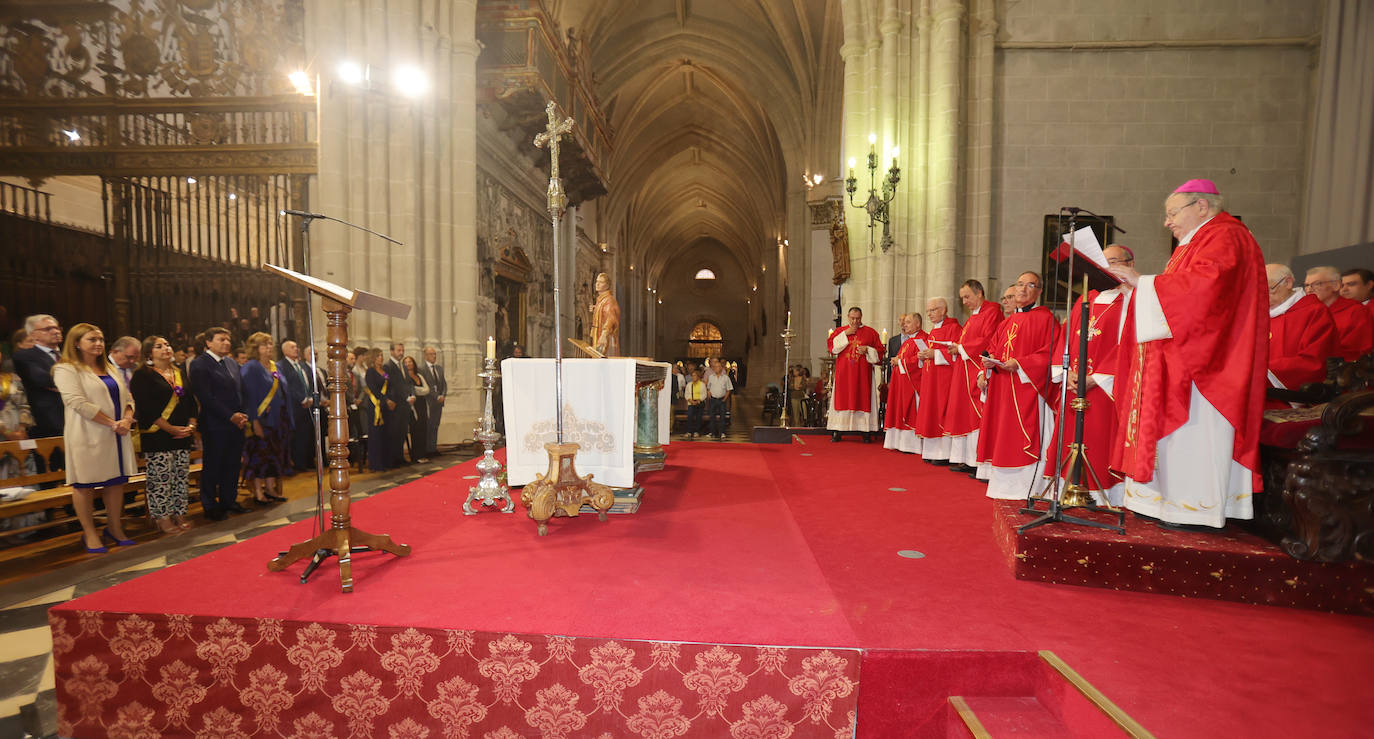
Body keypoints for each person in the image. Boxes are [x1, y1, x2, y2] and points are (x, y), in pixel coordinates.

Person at [1110, 179, 1267, 530]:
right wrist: (1144, 287)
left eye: (1171, 213)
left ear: (1201, 206)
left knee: (1196, 432)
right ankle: (1167, 504)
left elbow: (1206, 290)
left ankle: (1193, 509)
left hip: (1210, 362)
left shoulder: (1226, 235)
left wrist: (1143, 283)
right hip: (1184, 355)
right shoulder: (1195, 242)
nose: (1167, 222)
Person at [1045, 247, 1134, 506]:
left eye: (1114, 262)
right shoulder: (1086, 299)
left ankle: (1103, 495)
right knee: (1072, 437)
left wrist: (1098, 377)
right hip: (1075, 384)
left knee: (1100, 439)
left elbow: (1131, 345)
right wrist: (1068, 372)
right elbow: (1067, 339)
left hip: (1107, 386)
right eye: (1102, 264)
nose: (1106, 269)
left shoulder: (1131, 299)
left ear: (1130, 264)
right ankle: (1069, 490)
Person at [52, 323, 136, 553]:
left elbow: (128, 397)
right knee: (84, 484)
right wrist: (112, 423)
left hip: (117, 433)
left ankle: (114, 527)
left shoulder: (109, 367)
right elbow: (76, 402)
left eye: (101, 339)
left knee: (115, 482)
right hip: (88, 433)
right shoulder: (66, 369)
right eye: (92, 339)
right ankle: (89, 532)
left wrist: (127, 420)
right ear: (77, 343)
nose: (99, 343)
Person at [975, 272, 1058, 498]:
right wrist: (986, 369)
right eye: (1020, 284)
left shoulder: (1046, 319)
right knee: (1004, 434)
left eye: (1029, 285)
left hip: (1028, 388)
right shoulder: (1008, 322)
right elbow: (993, 349)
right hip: (1003, 387)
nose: (1022, 289)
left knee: (1026, 436)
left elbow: (1051, 353)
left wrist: (1020, 364)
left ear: (1039, 292)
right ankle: (1005, 487)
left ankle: (1030, 488)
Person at [130, 336, 197, 535]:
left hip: (183, 434)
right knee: (161, 479)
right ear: (149, 353)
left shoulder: (179, 372)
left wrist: (192, 424)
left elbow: (191, 402)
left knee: (180, 477)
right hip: (157, 435)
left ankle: (179, 513)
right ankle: (162, 517)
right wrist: (170, 428)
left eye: (167, 345)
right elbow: (145, 407)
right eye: (159, 346)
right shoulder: (143, 375)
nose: (165, 348)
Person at [943, 280, 1004, 471]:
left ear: (979, 293)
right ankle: (967, 459)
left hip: (977, 367)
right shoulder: (971, 318)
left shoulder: (992, 311)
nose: (965, 301)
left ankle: (977, 459)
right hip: (964, 368)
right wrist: (956, 348)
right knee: (963, 413)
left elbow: (988, 340)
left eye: (967, 296)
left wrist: (961, 347)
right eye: (962, 298)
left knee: (975, 413)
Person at [189, 327, 249, 521]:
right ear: (208, 342)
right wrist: (230, 415)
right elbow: (206, 397)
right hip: (215, 423)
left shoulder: (231, 362)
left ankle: (228, 500)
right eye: (221, 339)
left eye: (228, 339)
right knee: (214, 464)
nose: (226, 343)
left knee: (232, 464)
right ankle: (209, 504)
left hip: (236, 423)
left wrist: (242, 414)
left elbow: (240, 391)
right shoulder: (200, 364)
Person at [1266, 264, 1337, 405]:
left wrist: (1263, 371)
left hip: (1291, 396)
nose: (1262, 296)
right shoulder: (1262, 315)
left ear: (1288, 282)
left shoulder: (1314, 312)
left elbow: (1314, 361)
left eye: (1269, 289)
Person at [240, 332, 291, 505]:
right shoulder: (251, 367)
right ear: (255, 348)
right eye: (264, 344)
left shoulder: (275, 366)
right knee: (258, 456)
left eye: (270, 343)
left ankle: (270, 489)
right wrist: (254, 422)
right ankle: (258, 493)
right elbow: (249, 398)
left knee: (274, 456)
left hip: (278, 419)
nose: (269, 347)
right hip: (261, 420)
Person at [826, 306, 886, 442]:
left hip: (862, 376)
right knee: (842, 399)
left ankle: (865, 431)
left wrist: (868, 350)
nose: (855, 321)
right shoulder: (840, 331)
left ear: (861, 318)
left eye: (857, 319)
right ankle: (838, 430)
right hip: (844, 375)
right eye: (852, 318)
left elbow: (880, 353)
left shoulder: (870, 333)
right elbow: (832, 348)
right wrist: (845, 334)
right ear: (848, 317)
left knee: (863, 398)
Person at [913, 298, 961, 462]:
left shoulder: (954, 328)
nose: (929, 314)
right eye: (928, 311)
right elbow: (930, 350)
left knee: (941, 412)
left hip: (943, 380)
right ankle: (930, 452)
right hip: (930, 378)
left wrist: (936, 354)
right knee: (930, 412)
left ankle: (943, 454)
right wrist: (923, 355)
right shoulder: (934, 330)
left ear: (943, 310)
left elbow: (956, 353)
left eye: (933, 310)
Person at [1304, 265, 1373, 362]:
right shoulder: (1306, 315)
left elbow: (1359, 351)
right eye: (1306, 285)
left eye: (1317, 284)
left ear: (1336, 286)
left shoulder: (1356, 311)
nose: (1309, 289)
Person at [13, 314, 64, 440]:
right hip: (48, 421)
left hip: (77, 417)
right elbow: (43, 380)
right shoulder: (25, 356)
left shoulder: (70, 355)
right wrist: (73, 383)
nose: (55, 331)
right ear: (33, 335)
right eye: (48, 329)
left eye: (57, 328)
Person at [883, 312, 926, 454]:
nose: (904, 325)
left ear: (918, 324)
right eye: (904, 322)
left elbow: (921, 362)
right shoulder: (908, 341)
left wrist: (899, 361)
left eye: (908, 322)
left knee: (911, 413)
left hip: (913, 386)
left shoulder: (922, 339)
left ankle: (911, 445)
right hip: (901, 384)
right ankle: (900, 443)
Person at [279, 339, 314, 472]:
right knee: (294, 437)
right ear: (285, 350)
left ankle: (302, 463)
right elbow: (286, 385)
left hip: (307, 406)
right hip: (294, 406)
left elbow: (309, 381)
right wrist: (302, 399)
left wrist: (310, 397)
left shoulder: (301, 365)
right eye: (293, 347)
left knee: (304, 436)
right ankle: (293, 464)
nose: (296, 349)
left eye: (296, 346)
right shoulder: (281, 365)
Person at [363, 348, 393, 470]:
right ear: (373, 358)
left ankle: (386, 461)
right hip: (375, 406)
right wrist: (385, 400)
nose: (381, 358)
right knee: (375, 435)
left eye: (381, 355)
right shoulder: (370, 372)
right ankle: (376, 463)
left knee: (385, 434)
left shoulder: (385, 371)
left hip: (386, 406)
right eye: (378, 356)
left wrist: (390, 399)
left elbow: (389, 384)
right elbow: (373, 389)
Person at [386, 342, 413, 465]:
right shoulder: (388, 366)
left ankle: (400, 457)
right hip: (396, 405)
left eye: (402, 350)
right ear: (392, 351)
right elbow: (394, 385)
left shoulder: (403, 366)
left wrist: (411, 395)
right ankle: (393, 459)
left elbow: (407, 383)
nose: (401, 353)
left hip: (405, 405)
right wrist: (406, 397)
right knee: (395, 433)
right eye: (398, 350)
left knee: (402, 432)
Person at [403, 355, 431, 463]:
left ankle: (423, 454)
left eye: (410, 362)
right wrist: (417, 391)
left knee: (423, 428)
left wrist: (415, 390)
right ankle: (416, 455)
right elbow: (408, 390)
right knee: (415, 430)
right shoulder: (405, 377)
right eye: (406, 362)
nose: (408, 364)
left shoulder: (418, 375)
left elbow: (427, 389)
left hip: (422, 404)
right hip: (412, 405)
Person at [422, 346, 445, 457]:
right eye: (431, 354)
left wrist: (443, 395)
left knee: (435, 424)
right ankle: (427, 449)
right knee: (428, 425)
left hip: (439, 402)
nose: (434, 356)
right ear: (425, 355)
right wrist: (436, 396)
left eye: (435, 354)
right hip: (429, 401)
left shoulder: (439, 368)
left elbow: (444, 384)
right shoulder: (422, 369)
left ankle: (433, 447)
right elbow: (427, 385)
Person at [705, 358, 733, 439]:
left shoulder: (726, 378)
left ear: (721, 368)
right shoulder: (711, 377)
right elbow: (708, 387)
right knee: (712, 416)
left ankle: (722, 432)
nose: (716, 368)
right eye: (715, 367)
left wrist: (725, 399)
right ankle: (712, 432)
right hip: (713, 400)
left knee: (722, 417)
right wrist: (708, 392)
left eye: (718, 367)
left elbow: (729, 389)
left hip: (721, 400)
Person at [684, 367, 707, 438]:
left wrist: (697, 401)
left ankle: (697, 431)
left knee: (699, 416)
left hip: (699, 402)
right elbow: (686, 394)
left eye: (695, 375)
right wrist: (690, 400)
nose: (693, 377)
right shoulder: (689, 385)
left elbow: (704, 394)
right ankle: (689, 431)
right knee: (690, 415)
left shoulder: (702, 384)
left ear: (698, 376)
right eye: (692, 376)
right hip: (691, 402)